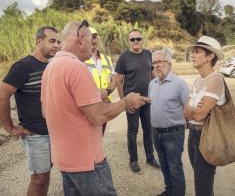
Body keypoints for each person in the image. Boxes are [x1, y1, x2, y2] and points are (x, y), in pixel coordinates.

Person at [41, 20, 150, 196]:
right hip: (86, 162)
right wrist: (126, 101)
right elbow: (98, 116)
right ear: (81, 38)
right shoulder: (77, 67)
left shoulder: (50, 67)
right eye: (91, 40)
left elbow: (46, 112)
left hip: (64, 160)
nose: (93, 45)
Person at [0, 26, 60, 196]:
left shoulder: (53, 65)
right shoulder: (23, 66)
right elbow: (2, 95)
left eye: (58, 41)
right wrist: (10, 128)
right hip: (36, 134)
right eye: (52, 41)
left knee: (47, 173)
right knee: (39, 179)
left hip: (56, 131)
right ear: (38, 41)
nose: (56, 45)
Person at [184, 36, 226, 196]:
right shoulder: (197, 81)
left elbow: (199, 115)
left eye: (197, 52)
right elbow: (186, 113)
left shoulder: (216, 79)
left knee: (202, 188)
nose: (192, 55)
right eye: (193, 52)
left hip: (206, 136)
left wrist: (193, 111)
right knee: (201, 181)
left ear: (210, 56)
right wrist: (192, 111)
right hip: (193, 135)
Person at [115, 29, 160, 173]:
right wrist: (123, 102)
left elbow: (152, 75)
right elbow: (119, 81)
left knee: (148, 130)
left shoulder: (148, 54)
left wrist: (156, 93)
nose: (136, 41)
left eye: (138, 38)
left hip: (147, 101)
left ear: (142, 40)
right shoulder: (123, 58)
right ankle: (133, 161)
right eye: (132, 39)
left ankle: (150, 158)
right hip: (132, 102)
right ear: (129, 41)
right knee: (132, 131)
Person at [149, 49, 189, 196]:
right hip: (156, 133)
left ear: (169, 64)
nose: (156, 65)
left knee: (175, 169)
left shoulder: (180, 84)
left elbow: (188, 109)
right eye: (154, 63)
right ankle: (169, 191)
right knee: (165, 167)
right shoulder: (152, 84)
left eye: (160, 61)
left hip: (173, 134)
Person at [85, 27, 116, 135]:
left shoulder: (107, 58)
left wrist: (106, 92)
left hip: (105, 104)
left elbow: (114, 80)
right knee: (89, 135)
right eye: (90, 38)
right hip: (89, 106)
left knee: (100, 135)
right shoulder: (80, 59)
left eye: (95, 37)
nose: (93, 41)